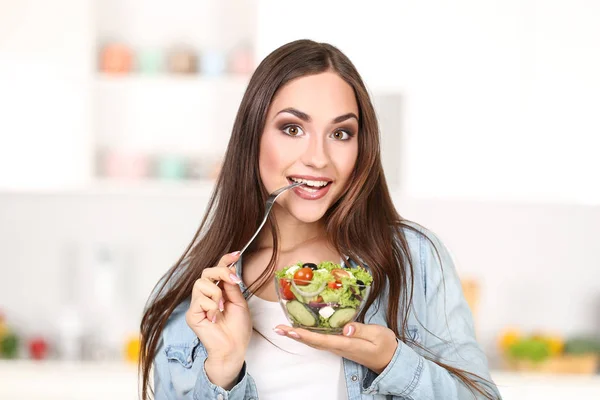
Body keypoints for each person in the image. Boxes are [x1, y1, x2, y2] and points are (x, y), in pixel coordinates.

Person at [139, 39, 501, 400]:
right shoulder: (188, 301)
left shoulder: (414, 259)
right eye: (293, 129)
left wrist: (390, 360)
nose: (318, 158)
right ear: (253, 136)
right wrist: (224, 370)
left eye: (340, 133)